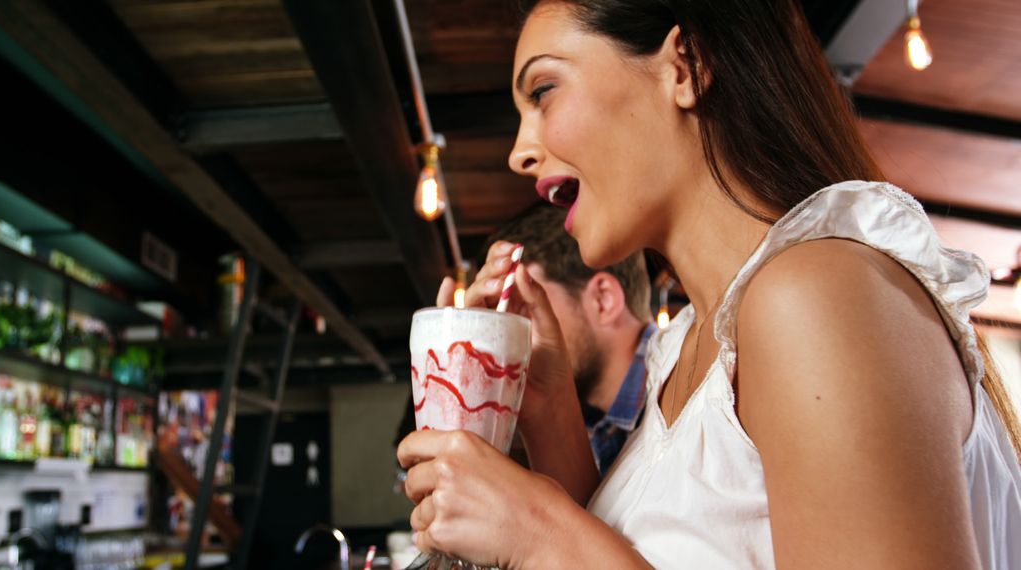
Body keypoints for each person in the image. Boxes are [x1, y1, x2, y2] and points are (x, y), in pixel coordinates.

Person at [397, 0, 1021, 568]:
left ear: (684, 67)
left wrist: (540, 533)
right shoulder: (691, 347)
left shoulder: (817, 294)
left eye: (544, 90)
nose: (519, 152)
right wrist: (550, 410)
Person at [485, 203, 657, 475]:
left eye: (524, 308)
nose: (505, 335)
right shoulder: (584, 423)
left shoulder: (691, 395)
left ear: (603, 300)